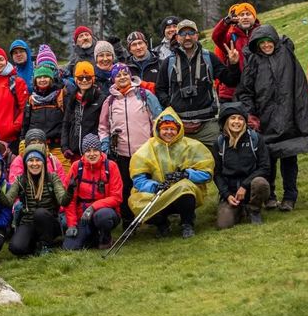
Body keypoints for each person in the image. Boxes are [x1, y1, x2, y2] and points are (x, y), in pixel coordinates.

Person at [235, 24, 308, 211]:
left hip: (289, 117)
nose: (266, 45)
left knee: (289, 160)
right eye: (261, 43)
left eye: (268, 41)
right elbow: (245, 91)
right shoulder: (254, 61)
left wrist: (300, 113)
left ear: (275, 41)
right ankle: (269, 196)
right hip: (265, 119)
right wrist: (251, 113)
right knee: (267, 161)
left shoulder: (287, 54)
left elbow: (298, 85)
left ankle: (290, 197)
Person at [128, 110, 214, 239]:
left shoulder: (192, 146)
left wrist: (186, 175)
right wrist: (154, 186)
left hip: (181, 194)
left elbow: (206, 173)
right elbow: (138, 179)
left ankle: (187, 223)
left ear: (178, 129)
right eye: (165, 129)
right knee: (136, 201)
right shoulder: (147, 149)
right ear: (158, 129)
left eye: (172, 129)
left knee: (185, 187)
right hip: (157, 194)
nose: (169, 132)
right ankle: (162, 225)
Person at [155, 19, 240, 146]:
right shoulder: (169, 62)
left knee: (216, 160)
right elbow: (160, 89)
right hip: (179, 124)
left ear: (197, 35)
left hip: (208, 123)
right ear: (177, 37)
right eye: (183, 34)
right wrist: (170, 104)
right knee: (180, 164)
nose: (187, 37)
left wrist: (233, 64)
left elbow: (231, 81)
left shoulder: (209, 58)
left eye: (191, 33)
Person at [98, 63, 162, 224]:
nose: (122, 77)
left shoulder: (145, 95)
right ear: (113, 79)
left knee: (148, 186)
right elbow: (103, 127)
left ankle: (155, 219)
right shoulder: (110, 101)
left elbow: (158, 119)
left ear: (130, 75)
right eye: (118, 75)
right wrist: (105, 145)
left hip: (145, 152)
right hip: (121, 153)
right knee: (125, 188)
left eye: (125, 74)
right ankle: (128, 221)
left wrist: (157, 142)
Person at [0, 142, 71, 256]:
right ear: (26, 163)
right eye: (30, 160)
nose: (34, 164)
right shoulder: (20, 180)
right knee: (16, 248)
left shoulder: (52, 177)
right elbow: (8, 202)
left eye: (38, 160)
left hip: (49, 220)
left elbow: (63, 201)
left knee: (40, 213)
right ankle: (34, 244)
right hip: (28, 221)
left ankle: (46, 245)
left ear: (43, 162)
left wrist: (70, 190)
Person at [211, 104, 272, 229]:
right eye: (233, 118)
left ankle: (254, 209)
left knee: (260, 182)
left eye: (240, 119)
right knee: (223, 224)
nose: (236, 122)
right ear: (226, 121)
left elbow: (265, 167)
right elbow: (217, 173)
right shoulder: (219, 143)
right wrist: (227, 194)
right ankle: (239, 209)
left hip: (252, 188)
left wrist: (244, 186)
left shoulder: (255, 139)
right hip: (231, 192)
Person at [61, 135, 124, 251]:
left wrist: (93, 208)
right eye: (88, 151)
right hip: (82, 215)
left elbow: (117, 197)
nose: (92, 154)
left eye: (95, 150)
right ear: (83, 153)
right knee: (69, 247)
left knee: (102, 217)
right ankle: (93, 236)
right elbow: (70, 198)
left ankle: (106, 238)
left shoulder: (111, 166)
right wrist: (72, 224)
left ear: (100, 151)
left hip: (105, 212)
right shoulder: (76, 167)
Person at [212, 2, 260, 100]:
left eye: (248, 14)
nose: (245, 17)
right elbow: (216, 36)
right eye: (241, 15)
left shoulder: (261, 35)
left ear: (254, 17)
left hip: (257, 89)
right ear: (236, 19)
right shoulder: (230, 37)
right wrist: (226, 21)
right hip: (232, 92)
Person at [61, 61, 106, 160]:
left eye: (88, 77)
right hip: (74, 153)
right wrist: (65, 147)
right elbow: (66, 124)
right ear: (76, 80)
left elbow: (104, 126)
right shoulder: (72, 98)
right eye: (81, 77)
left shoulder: (100, 99)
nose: (84, 80)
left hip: (94, 152)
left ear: (93, 79)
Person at [21, 61, 65, 153]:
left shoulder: (60, 96)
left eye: (45, 77)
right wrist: (22, 141)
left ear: (51, 79)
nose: (42, 80)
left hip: (57, 147)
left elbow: (67, 122)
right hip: (35, 146)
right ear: (35, 80)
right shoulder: (31, 99)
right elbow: (25, 124)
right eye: (39, 77)